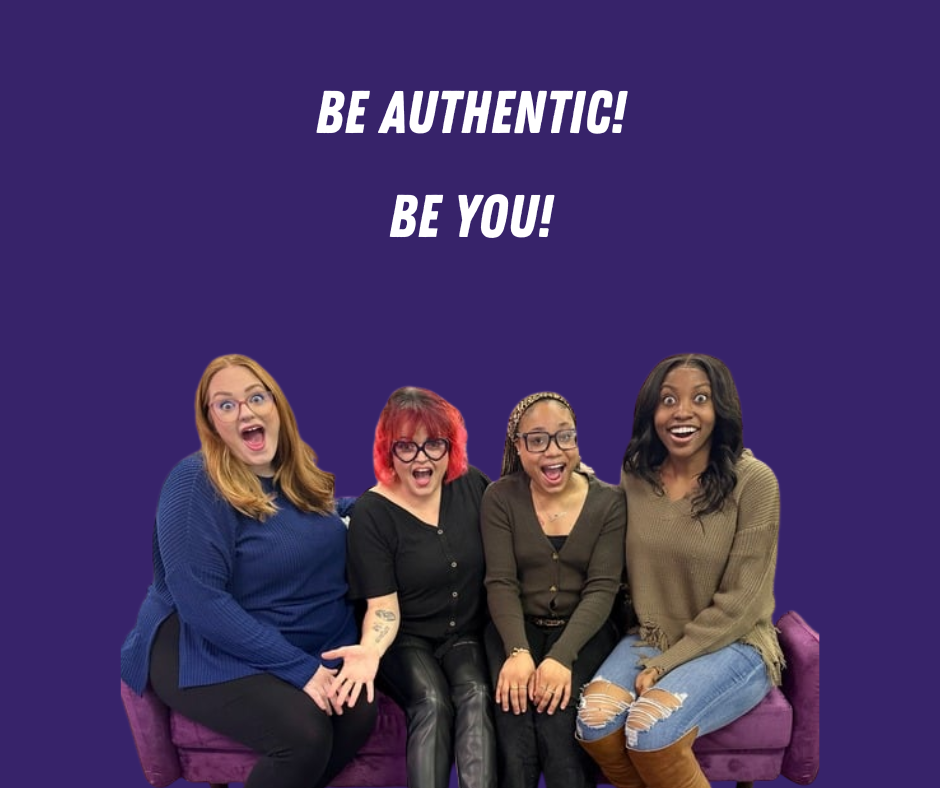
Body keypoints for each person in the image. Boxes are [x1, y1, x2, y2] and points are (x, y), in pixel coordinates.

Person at [120, 354, 376, 788]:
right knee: (304, 734)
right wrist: (300, 669)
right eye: (226, 404)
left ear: (277, 406)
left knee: (356, 710)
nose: (245, 411)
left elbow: (319, 519)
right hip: (195, 644)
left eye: (256, 397)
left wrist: (386, 504)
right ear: (211, 423)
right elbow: (200, 600)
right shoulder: (196, 481)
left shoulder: (295, 476)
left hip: (274, 630)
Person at [576, 353, 783, 788]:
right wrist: (568, 482)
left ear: (719, 409)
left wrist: (667, 664)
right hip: (652, 635)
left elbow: (741, 603)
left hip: (735, 643)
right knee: (594, 721)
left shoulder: (755, 481)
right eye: (668, 400)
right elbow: (610, 523)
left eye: (700, 399)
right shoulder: (637, 476)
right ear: (652, 411)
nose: (682, 412)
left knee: (651, 730)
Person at [323, 387, 496, 788]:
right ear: (388, 451)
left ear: (450, 448)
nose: (422, 458)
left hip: (463, 635)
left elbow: (519, 511)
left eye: (434, 444)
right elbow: (383, 608)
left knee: (475, 694)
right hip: (404, 639)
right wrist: (370, 650)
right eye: (407, 447)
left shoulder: (473, 486)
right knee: (432, 702)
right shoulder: (372, 512)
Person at [482, 392, 626, 788]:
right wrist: (518, 651)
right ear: (519, 446)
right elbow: (501, 581)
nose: (553, 451)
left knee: (557, 717)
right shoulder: (499, 498)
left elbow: (602, 589)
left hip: (583, 630)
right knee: (512, 717)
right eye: (538, 439)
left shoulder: (610, 502)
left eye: (565, 437)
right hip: (515, 627)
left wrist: (561, 658)